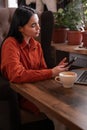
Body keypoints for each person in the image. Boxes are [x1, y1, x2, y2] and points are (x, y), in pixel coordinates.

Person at [1, 6, 68, 115]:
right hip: (24, 95)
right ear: (20, 28)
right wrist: (51, 72)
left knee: (68, 102)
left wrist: (56, 71)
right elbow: (16, 75)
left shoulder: (37, 45)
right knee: (61, 111)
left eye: (38, 23)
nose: (38, 28)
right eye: (33, 25)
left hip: (40, 90)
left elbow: (43, 71)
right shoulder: (10, 44)